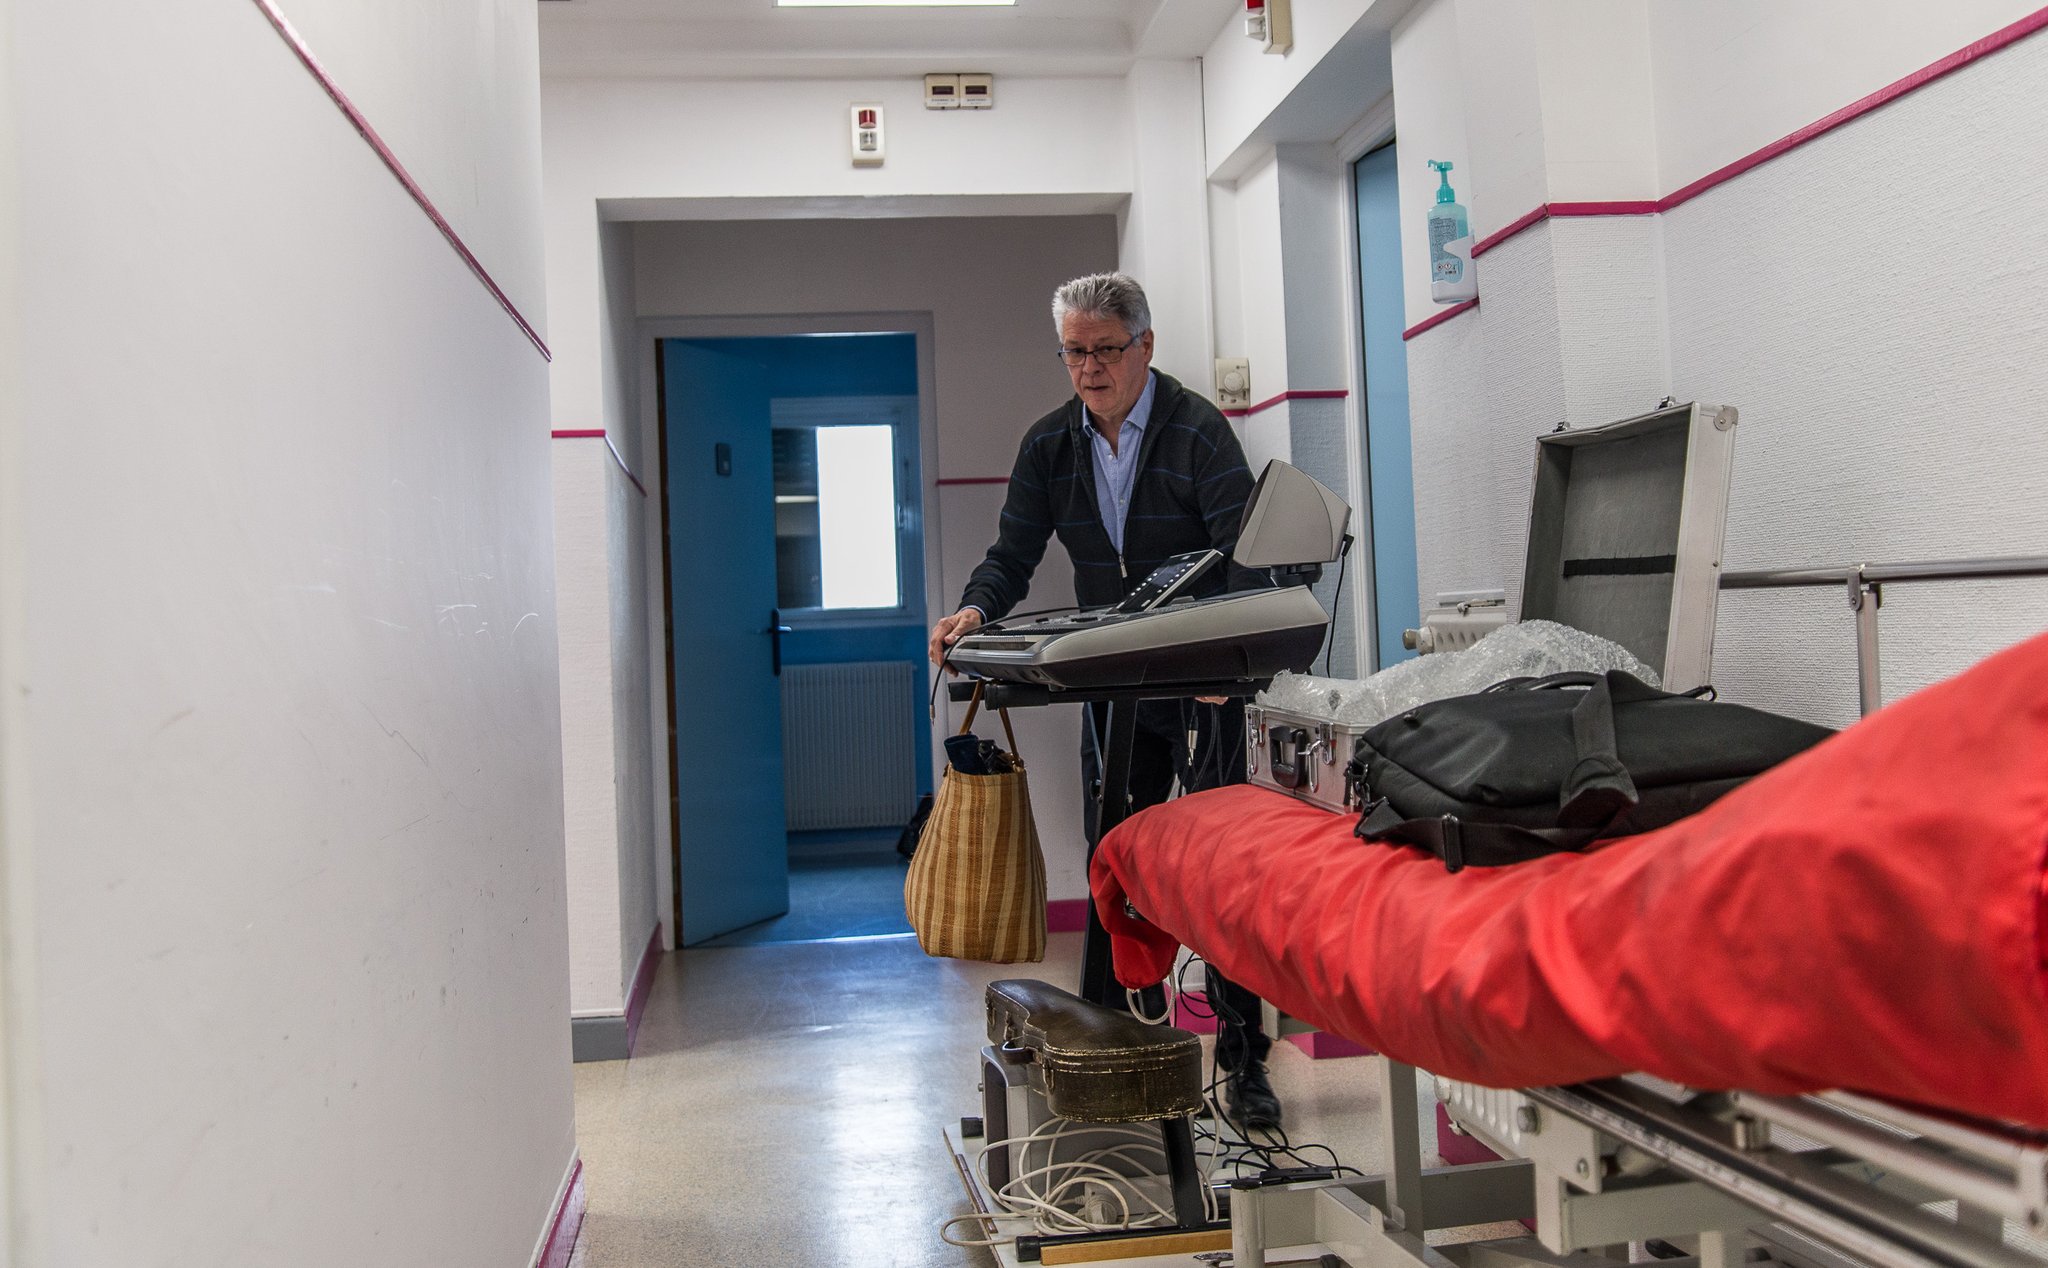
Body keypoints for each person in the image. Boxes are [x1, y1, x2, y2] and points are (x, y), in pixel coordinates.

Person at [926, 272, 1283, 1133]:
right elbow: (1012, 553)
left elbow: (1243, 557)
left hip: (1201, 682)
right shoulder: (1052, 445)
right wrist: (976, 606)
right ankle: (1127, 1035)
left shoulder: (1199, 432)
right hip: (1115, 688)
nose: (1089, 369)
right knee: (1114, 859)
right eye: (1074, 352)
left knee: (1223, 868)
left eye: (1105, 351)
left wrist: (1220, 655)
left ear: (1145, 347)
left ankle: (1244, 1059)